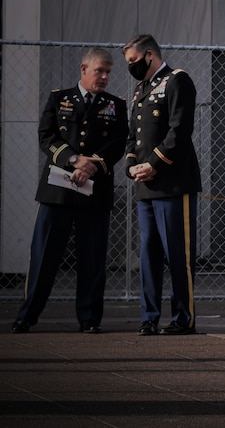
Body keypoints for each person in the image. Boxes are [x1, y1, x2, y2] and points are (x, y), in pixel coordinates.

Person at [11, 47, 128, 334]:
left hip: (94, 192)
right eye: (99, 70)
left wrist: (91, 167)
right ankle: (28, 315)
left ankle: (89, 318)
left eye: (108, 72)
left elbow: (117, 144)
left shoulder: (116, 104)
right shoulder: (59, 98)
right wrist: (74, 160)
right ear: (83, 69)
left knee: (92, 258)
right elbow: (46, 137)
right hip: (58, 192)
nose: (104, 77)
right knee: (44, 255)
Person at [122, 34, 201, 336]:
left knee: (178, 256)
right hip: (146, 185)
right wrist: (132, 167)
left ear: (150, 55)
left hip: (172, 183)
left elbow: (180, 130)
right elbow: (133, 137)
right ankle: (149, 316)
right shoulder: (141, 89)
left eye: (133, 62)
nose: (131, 68)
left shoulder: (177, 80)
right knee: (149, 254)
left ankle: (183, 317)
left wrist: (154, 164)